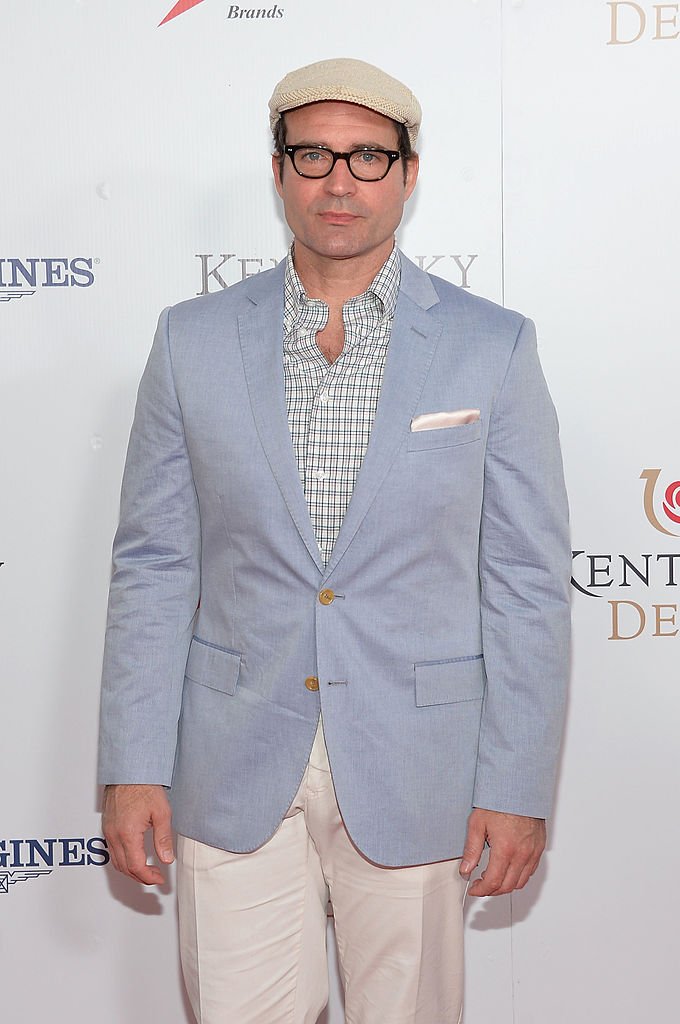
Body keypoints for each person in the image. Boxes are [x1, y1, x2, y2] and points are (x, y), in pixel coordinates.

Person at [99, 57, 571, 1024]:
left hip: (419, 762)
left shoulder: (495, 346)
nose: (340, 180)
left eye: (368, 156)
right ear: (278, 173)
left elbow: (525, 582)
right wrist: (133, 762)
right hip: (232, 757)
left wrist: (517, 784)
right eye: (313, 154)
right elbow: (154, 563)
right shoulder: (190, 340)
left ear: (408, 172)